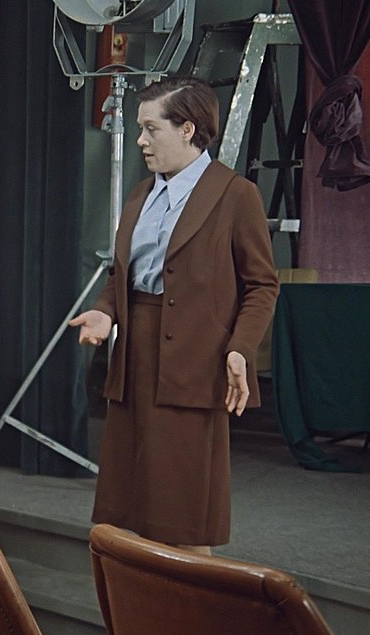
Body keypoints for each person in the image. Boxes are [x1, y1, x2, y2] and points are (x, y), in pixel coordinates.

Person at [69, 76, 279, 554]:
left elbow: (262, 285)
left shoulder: (235, 195)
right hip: (134, 362)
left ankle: (190, 599)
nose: (140, 141)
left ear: (187, 129)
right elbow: (122, 274)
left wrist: (241, 348)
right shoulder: (140, 195)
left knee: (183, 517)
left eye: (150, 128)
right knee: (125, 511)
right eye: (139, 129)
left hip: (194, 364)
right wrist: (106, 312)